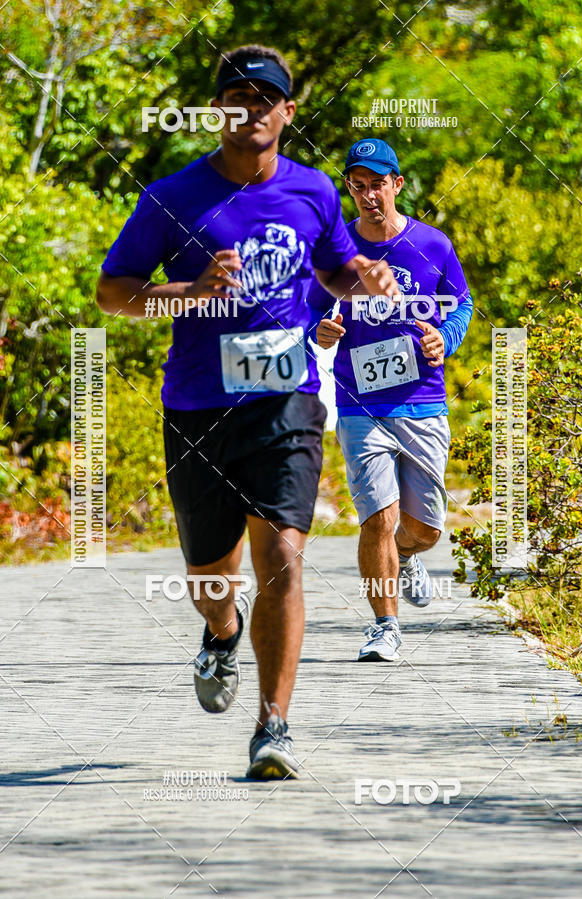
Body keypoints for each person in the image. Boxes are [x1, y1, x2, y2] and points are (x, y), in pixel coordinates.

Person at [96, 48, 399, 779]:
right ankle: (221, 633)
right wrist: (189, 291)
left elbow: (331, 267)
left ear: (287, 113)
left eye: (266, 98)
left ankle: (274, 726)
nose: (252, 109)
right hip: (198, 405)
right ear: (219, 111)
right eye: (237, 97)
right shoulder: (173, 196)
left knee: (284, 558)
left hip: (286, 398)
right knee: (211, 579)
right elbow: (113, 291)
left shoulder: (316, 190)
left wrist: (362, 275)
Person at [313, 138, 473, 662]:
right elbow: (307, 315)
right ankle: (384, 626)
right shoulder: (335, 252)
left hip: (423, 404)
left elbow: (461, 306)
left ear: (397, 185)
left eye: (376, 184)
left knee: (424, 529)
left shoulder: (433, 244)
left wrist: (443, 338)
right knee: (377, 518)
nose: (367, 195)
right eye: (356, 186)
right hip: (360, 406)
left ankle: (406, 556)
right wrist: (322, 332)